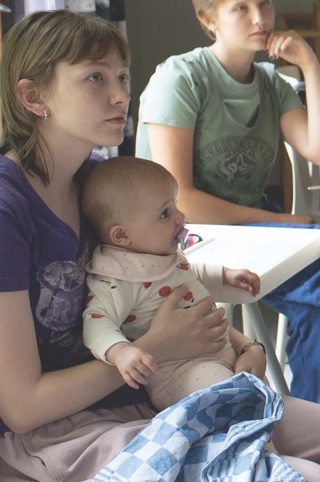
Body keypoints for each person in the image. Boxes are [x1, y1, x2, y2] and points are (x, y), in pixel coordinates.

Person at [0, 9, 320, 481]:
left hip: (146, 395)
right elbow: (21, 406)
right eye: (95, 78)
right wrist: (158, 346)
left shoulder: (98, 182)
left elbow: (161, 280)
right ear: (33, 96)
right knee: (307, 477)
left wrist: (247, 346)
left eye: (121, 76)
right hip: (56, 435)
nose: (120, 95)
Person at [136, 0, 320, 408]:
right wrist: (283, 221)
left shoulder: (271, 83)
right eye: (241, 7)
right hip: (179, 235)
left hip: (246, 227)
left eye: (266, 3)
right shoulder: (182, 78)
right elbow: (180, 201)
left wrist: (309, 65)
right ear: (207, 18)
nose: (260, 17)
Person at [79, 156, 266, 411]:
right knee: (240, 408)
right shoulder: (116, 278)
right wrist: (121, 352)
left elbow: (189, 274)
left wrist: (223, 275)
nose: (181, 217)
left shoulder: (162, 255)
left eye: (176, 205)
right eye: (165, 213)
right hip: (180, 375)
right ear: (121, 235)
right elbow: (96, 322)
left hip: (222, 358)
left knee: (261, 406)